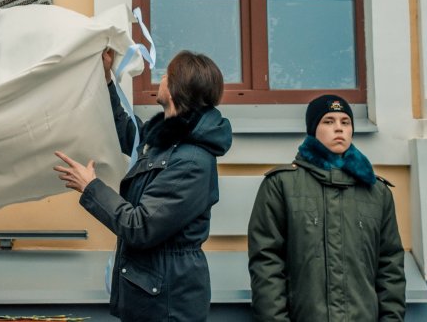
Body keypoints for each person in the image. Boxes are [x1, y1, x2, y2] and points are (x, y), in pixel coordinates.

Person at [55, 49, 232, 322]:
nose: (161, 79)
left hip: (167, 306)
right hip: (151, 295)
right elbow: (126, 131)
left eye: (166, 75)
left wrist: (91, 187)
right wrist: (106, 78)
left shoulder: (192, 161)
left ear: (176, 89)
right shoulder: (167, 141)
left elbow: (140, 227)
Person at [247, 94, 406, 322]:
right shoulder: (281, 185)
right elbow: (266, 262)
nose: (339, 128)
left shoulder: (376, 192)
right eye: (328, 121)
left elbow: (390, 265)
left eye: (345, 122)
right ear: (313, 129)